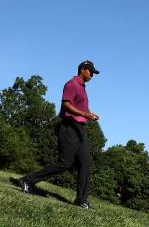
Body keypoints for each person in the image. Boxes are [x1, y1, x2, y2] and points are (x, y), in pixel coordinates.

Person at [19, 60, 100, 209]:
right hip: (68, 127)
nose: (92, 75)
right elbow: (66, 105)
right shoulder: (72, 84)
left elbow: (78, 107)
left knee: (86, 164)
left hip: (80, 129)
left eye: (93, 73)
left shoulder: (82, 88)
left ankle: (81, 200)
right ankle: (27, 181)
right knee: (65, 164)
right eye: (91, 72)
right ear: (83, 69)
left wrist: (89, 114)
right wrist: (84, 114)